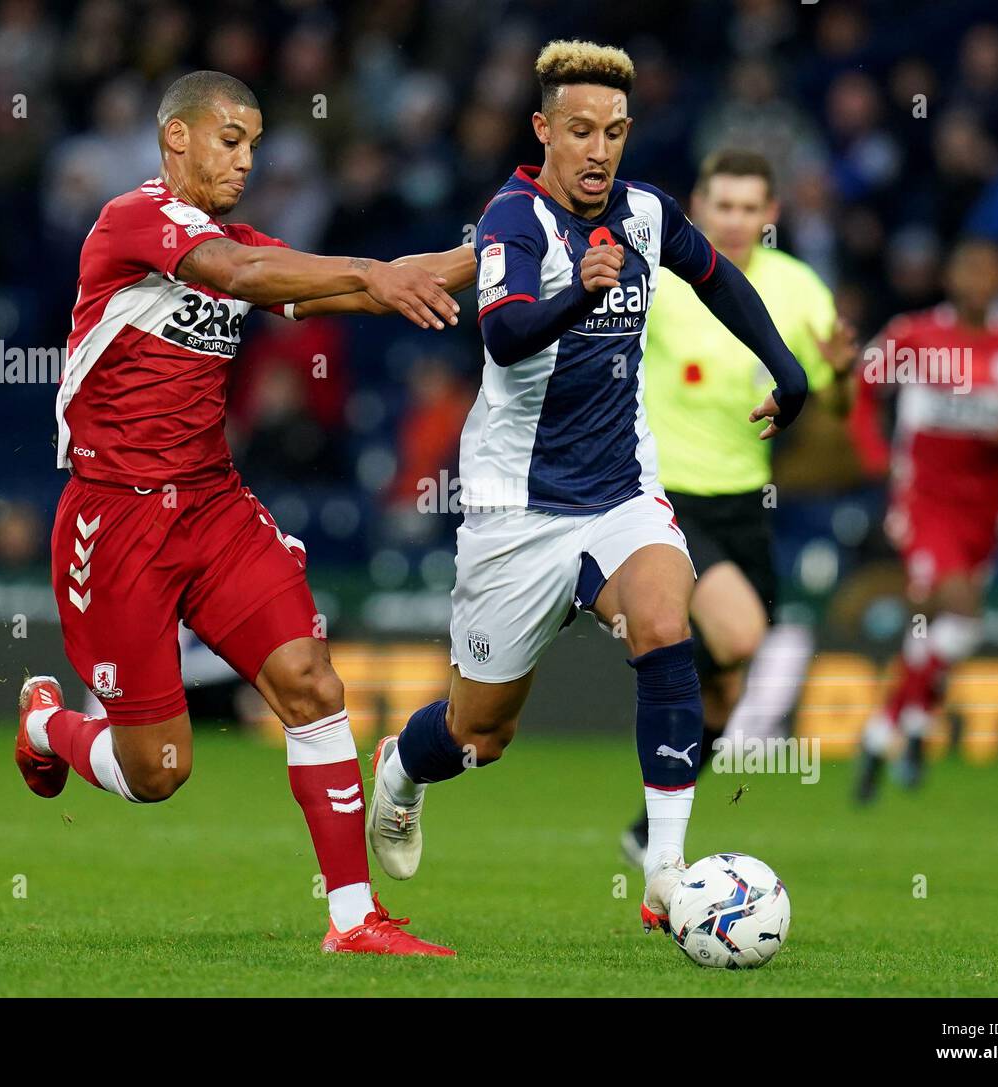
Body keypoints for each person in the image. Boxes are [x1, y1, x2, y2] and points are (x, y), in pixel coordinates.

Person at [14, 70, 475, 955]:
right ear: (175, 138)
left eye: (256, 143)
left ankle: (353, 919)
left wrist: (509, 246)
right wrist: (372, 272)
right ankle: (44, 723)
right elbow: (244, 271)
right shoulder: (133, 222)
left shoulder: (240, 245)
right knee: (159, 771)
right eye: (232, 139)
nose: (248, 159)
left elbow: (357, 287)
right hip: (115, 522)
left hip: (214, 505)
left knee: (312, 683)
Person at [365, 41, 809, 938]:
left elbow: (717, 275)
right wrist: (581, 293)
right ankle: (401, 774)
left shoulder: (645, 212)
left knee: (663, 621)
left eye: (613, 131)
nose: (598, 149)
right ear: (544, 131)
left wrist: (784, 365)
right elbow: (505, 337)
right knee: (477, 735)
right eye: (579, 130)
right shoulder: (512, 220)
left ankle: (666, 873)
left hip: (619, 492)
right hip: (511, 512)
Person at [619, 148, 858, 867]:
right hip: (665, 495)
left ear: (771, 214)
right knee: (746, 635)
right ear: (699, 204)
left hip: (745, 503)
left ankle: (646, 833)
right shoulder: (662, 280)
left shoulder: (798, 291)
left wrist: (842, 378)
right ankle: (653, 631)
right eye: (722, 206)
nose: (735, 221)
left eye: (750, 208)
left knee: (724, 689)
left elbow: (834, 405)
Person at [850, 237, 998, 802]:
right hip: (925, 497)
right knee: (956, 603)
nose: (977, 282)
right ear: (950, 278)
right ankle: (897, 731)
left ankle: (896, 728)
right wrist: (875, 457)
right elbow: (861, 388)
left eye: (988, 272)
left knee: (953, 627)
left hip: (986, 502)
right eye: (966, 270)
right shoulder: (915, 335)